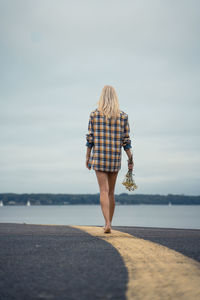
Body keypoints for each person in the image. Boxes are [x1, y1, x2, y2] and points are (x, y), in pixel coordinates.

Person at [85, 85, 134, 233]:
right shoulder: (123, 116)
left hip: (99, 157)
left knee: (103, 191)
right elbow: (126, 140)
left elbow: (90, 138)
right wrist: (130, 158)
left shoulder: (94, 115)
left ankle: (106, 223)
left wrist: (87, 156)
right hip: (114, 158)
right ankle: (109, 224)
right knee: (111, 192)